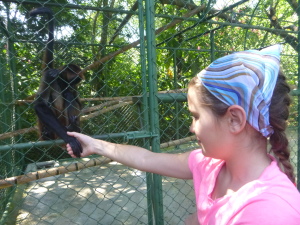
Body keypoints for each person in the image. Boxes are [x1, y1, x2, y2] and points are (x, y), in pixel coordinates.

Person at [66, 44, 300, 224]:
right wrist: (95, 145)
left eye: (196, 116)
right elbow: (148, 159)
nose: (191, 127)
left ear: (234, 119)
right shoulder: (211, 165)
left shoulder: (269, 211)